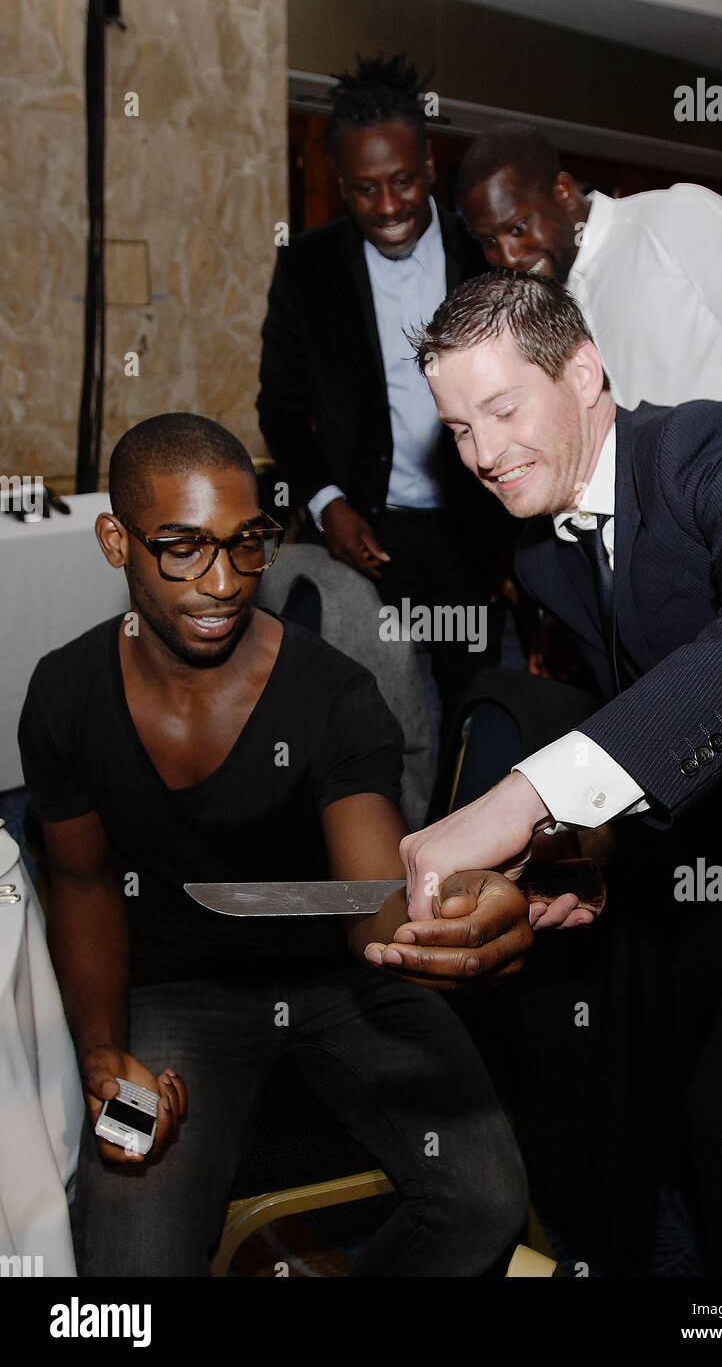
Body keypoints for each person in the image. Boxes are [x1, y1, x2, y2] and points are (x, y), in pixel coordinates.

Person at [391, 270, 722, 1277]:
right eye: (457, 427)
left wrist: (520, 800)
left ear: (583, 370)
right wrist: (588, 850)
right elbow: (662, 727)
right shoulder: (546, 558)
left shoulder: (711, 447)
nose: (479, 453)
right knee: (688, 1103)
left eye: (502, 409)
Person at [17, 412, 533, 1278]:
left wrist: (445, 930)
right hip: (180, 989)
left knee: (484, 1201)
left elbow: (371, 910)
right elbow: (80, 882)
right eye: (182, 547)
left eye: (246, 543)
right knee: (123, 1275)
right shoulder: (67, 694)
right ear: (117, 541)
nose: (223, 581)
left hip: (343, 984)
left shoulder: (330, 696)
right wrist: (104, 1049)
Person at [257, 54, 512, 739]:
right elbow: (279, 408)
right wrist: (325, 501)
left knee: (471, 702)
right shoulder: (307, 268)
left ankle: (455, 840)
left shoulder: (484, 252)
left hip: (469, 529)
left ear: (430, 166)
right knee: (358, 708)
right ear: (342, 186)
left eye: (403, 181)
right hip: (360, 531)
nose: (391, 206)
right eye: (367, 189)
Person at [457, 124, 722, 444]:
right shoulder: (547, 304)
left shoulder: (674, 218)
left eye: (518, 228)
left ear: (562, 192)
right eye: (489, 242)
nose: (507, 257)